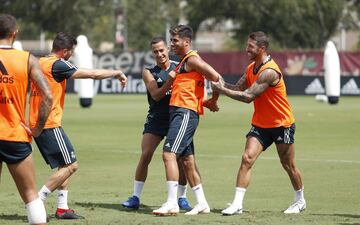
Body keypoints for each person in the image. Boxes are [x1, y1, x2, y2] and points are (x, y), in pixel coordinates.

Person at [29, 32, 127, 219]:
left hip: (38, 121)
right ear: (65, 51)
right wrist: (116, 72)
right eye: (71, 52)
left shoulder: (39, 62)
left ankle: (62, 208)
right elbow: (91, 74)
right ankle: (38, 201)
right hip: (49, 123)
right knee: (71, 166)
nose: (72, 55)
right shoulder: (58, 64)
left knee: (65, 164)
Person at [211, 31, 306, 215]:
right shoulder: (251, 68)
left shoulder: (269, 71)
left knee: (288, 165)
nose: (246, 49)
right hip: (261, 125)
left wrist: (221, 90)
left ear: (262, 48)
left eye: (250, 47)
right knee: (247, 158)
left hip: (281, 124)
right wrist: (218, 81)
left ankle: (300, 200)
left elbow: (248, 97)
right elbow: (237, 88)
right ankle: (237, 204)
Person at [152, 25, 220, 216]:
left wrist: (213, 100)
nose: (171, 44)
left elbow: (215, 76)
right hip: (181, 112)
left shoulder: (192, 59)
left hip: (185, 113)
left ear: (186, 42)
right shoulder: (184, 61)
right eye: (171, 40)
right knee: (188, 160)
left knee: (168, 154)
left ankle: (172, 203)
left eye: (174, 40)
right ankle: (202, 203)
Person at [121, 37, 192, 211]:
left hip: (177, 116)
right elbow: (156, 95)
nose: (159, 54)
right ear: (152, 53)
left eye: (162, 50)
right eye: (155, 51)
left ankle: (181, 197)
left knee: (182, 159)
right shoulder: (149, 72)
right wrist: (171, 79)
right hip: (156, 118)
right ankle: (135, 197)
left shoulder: (181, 65)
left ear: (167, 49)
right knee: (146, 155)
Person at [0, 14, 53, 225]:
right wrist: (38, 128)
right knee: (31, 194)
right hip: (15, 135)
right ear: (15, 32)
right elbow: (48, 96)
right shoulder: (28, 59)